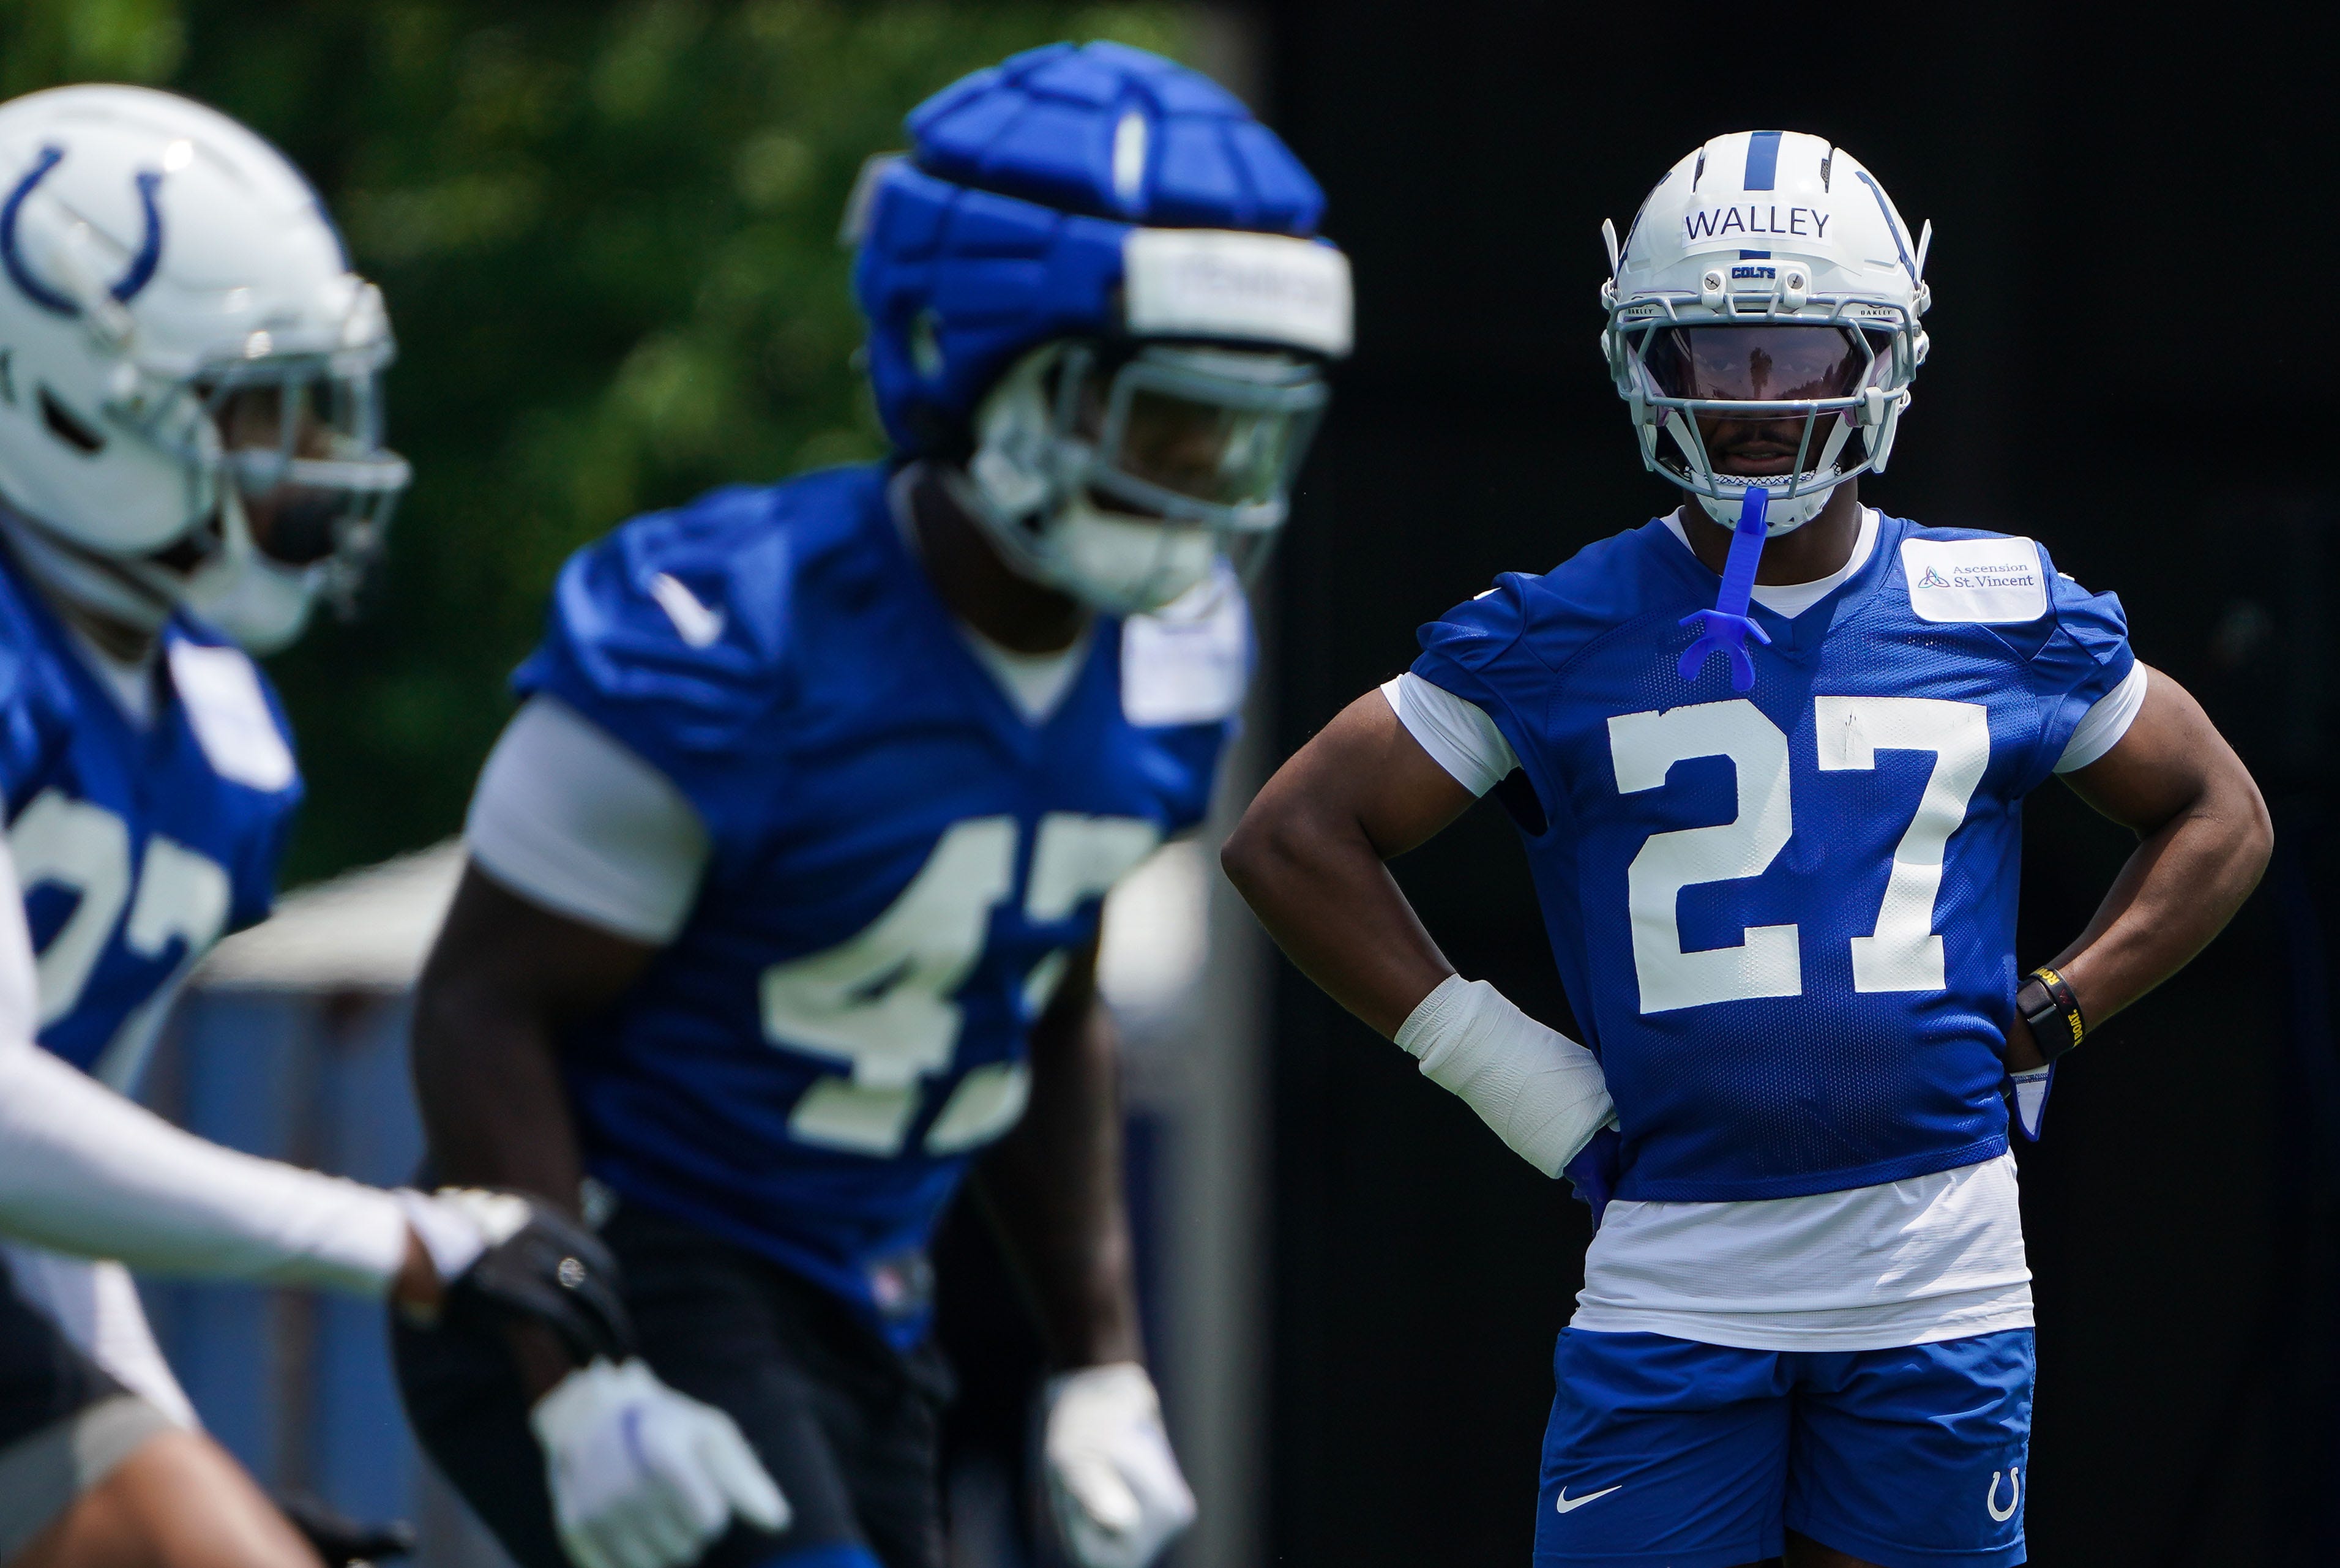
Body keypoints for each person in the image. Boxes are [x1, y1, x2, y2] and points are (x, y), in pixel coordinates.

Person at [1222, 129, 2271, 1568]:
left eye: (1799, 352)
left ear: (1885, 351)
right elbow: (1292, 838)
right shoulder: (1563, 626)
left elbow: (2222, 815)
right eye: (1717, 352)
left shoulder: (2000, 606)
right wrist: (1511, 1072)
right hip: (1672, 1277)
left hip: (1936, 1280)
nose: (1760, 399)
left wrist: (2056, 1007)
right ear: (1643, 358)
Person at [391, 39, 1350, 1568]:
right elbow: (478, 1009)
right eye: (1164, 418)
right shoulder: (740, 631)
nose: (1206, 474)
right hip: (628, 1256)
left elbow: (1043, 1004)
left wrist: (1098, 1359)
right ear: (979, 367)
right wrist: (578, 1381)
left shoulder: (1175, 660)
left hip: (863, 1291)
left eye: (1244, 425)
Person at [0, 85, 777, 1568]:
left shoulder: (211, 735)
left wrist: (173, 1454)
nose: (305, 468)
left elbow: (45, 1212)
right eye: (255, 414)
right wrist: (407, 1240)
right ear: (53, 396)